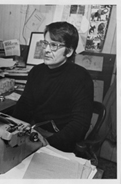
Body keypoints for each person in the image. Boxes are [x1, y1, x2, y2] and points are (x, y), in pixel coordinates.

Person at [12, 21, 94, 152]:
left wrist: (47, 145)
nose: (47, 50)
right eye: (45, 43)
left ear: (68, 52)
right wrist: (13, 131)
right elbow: (24, 106)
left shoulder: (81, 78)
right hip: (36, 131)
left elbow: (79, 125)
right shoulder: (36, 72)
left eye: (54, 45)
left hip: (60, 139)